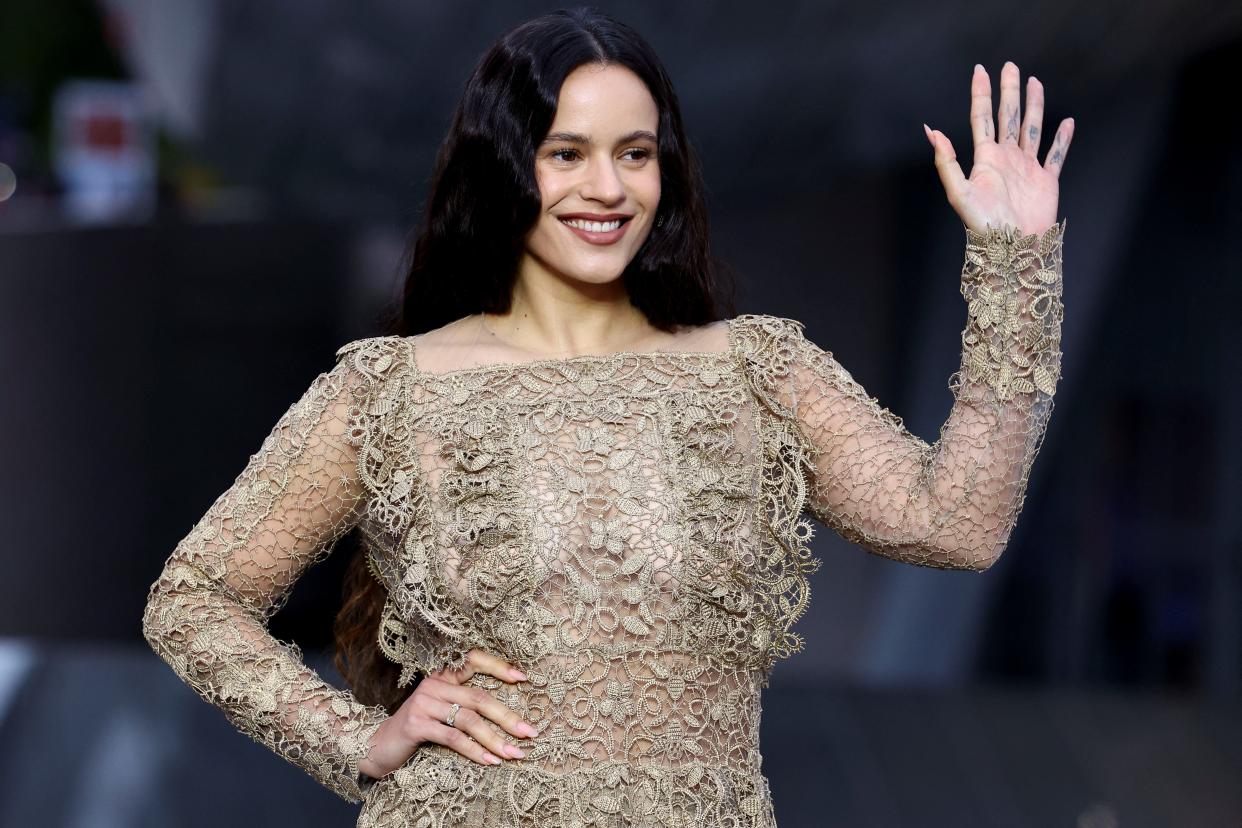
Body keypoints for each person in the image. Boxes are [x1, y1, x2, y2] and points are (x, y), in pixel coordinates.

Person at [141, 7, 1072, 827]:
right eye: (566, 154)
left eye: (635, 154)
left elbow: (960, 525)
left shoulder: (758, 372)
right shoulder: (392, 390)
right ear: (506, 165)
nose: (608, 190)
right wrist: (358, 740)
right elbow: (193, 601)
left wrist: (1016, 264)